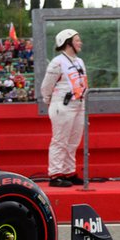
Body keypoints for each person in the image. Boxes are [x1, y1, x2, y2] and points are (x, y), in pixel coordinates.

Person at [39, 28, 87, 187]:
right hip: (62, 105)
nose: (80, 42)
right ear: (68, 43)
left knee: (73, 141)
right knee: (60, 140)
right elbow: (46, 86)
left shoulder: (79, 61)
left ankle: (69, 171)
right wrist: (48, 100)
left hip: (78, 104)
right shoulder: (57, 62)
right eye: (77, 40)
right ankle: (55, 174)